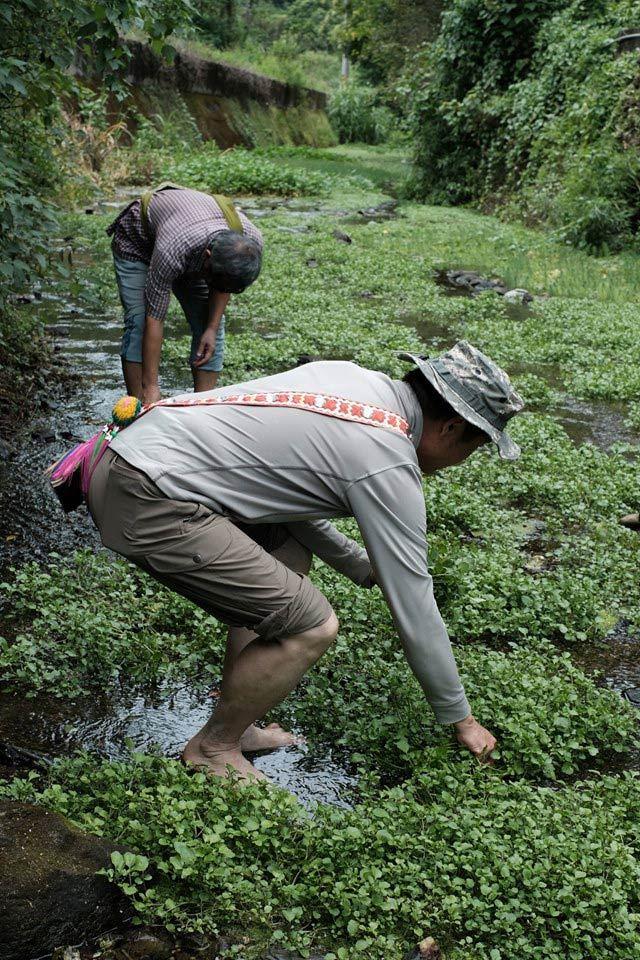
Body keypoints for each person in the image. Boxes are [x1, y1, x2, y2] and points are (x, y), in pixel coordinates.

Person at [83, 340, 524, 782]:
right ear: (449, 429)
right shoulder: (386, 457)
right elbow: (413, 602)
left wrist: (356, 563)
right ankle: (213, 749)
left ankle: (239, 726)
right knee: (313, 625)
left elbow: (278, 494)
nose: (463, 462)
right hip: (145, 495)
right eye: (475, 447)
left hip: (129, 454)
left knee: (286, 554)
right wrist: (461, 719)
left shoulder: (355, 380)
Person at [107, 185, 263, 404]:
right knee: (139, 321)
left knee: (212, 327)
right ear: (207, 259)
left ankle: (201, 406)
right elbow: (155, 318)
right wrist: (151, 386)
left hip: (190, 238)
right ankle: (138, 407)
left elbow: (223, 285)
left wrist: (210, 328)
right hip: (139, 241)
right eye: (213, 280)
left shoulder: (250, 243)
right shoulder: (174, 248)